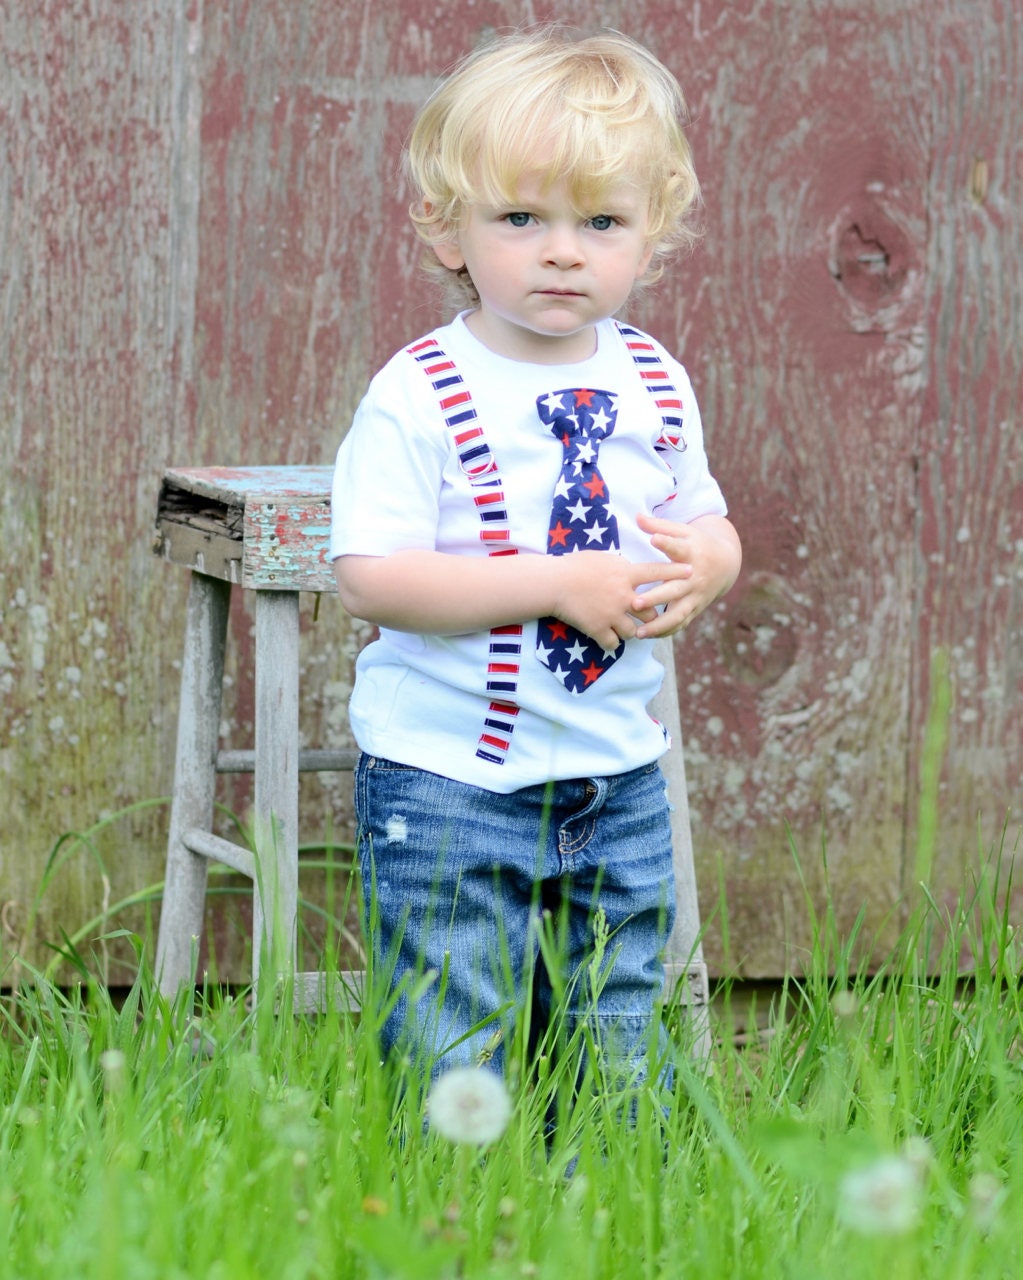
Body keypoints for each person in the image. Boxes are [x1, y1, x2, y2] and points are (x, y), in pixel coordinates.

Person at [329, 28, 741, 1089]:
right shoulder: (422, 390)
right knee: (453, 1026)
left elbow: (703, 514)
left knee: (615, 1017)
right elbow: (373, 574)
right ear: (448, 227)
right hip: (451, 775)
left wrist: (713, 564)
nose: (563, 249)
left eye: (601, 221)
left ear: (653, 236)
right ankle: (451, 1213)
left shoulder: (655, 376)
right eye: (522, 217)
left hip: (614, 767)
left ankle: (597, 1203)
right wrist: (553, 583)